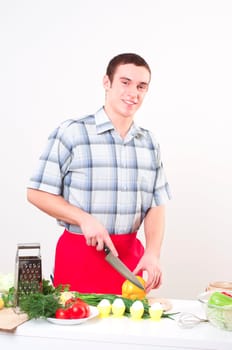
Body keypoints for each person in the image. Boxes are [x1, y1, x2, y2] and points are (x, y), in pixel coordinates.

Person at [27, 53, 171, 295]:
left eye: (141, 86)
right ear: (107, 82)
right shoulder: (72, 133)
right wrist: (84, 219)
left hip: (129, 264)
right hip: (79, 259)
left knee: (129, 330)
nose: (133, 93)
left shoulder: (149, 143)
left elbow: (156, 205)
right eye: (125, 82)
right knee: (76, 328)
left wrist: (152, 253)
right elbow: (37, 193)